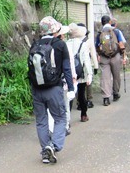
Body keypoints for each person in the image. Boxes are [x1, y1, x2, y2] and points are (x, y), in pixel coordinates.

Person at [29, 16, 75, 164]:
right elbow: (67, 67)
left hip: (37, 89)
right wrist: (71, 88)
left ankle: (45, 153)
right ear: (55, 29)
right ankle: (53, 146)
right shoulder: (60, 44)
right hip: (54, 88)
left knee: (41, 121)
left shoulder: (35, 44)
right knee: (60, 118)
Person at [47, 26, 77, 136]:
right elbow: (69, 65)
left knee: (50, 106)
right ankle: (65, 126)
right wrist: (72, 81)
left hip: (48, 80)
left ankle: (51, 129)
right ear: (60, 35)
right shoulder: (63, 46)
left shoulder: (46, 45)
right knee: (64, 104)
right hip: (61, 80)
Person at [95, 15, 126, 106]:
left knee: (105, 77)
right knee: (116, 76)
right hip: (115, 56)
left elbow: (97, 45)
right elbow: (121, 44)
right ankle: (115, 93)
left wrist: (99, 55)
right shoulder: (116, 31)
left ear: (102, 23)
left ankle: (106, 98)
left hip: (104, 57)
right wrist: (123, 56)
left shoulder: (100, 33)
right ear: (109, 22)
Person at [67, 23, 93, 122]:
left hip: (69, 74)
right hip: (80, 73)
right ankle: (83, 114)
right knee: (81, 95)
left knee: (69, 97)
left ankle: (67, 120)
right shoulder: (83, 44)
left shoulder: (65, 43)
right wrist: (89, 74)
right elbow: (86, 60)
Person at [77, 23, 98, 109]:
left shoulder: (73, 40)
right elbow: (93, 54)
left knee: (78, 83)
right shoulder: (89, 40)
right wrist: (96, 66)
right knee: (88, 82)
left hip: (77, 65)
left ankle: (79, 102)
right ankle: (89, 100)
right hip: (87, 64)